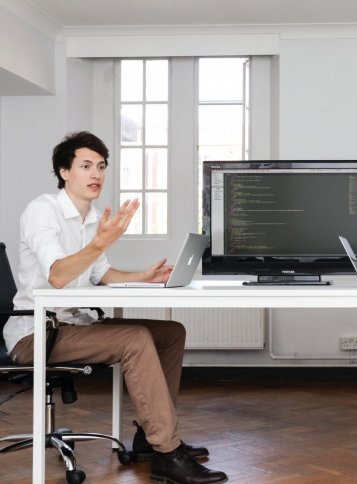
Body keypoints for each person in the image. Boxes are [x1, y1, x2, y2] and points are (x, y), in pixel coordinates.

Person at [3, 131, 227, 484]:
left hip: (75, 325)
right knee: (134, 338)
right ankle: (167, 453)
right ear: (64, 171)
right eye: (86, 166)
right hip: (36, 334)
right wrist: (101, 242)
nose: (96, 174)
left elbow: (101, 273)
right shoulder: (42, 211)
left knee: (170, 332)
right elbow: (58, 275)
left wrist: (144, 276)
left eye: (101, 166)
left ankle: (149, 437)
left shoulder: (93, 218)